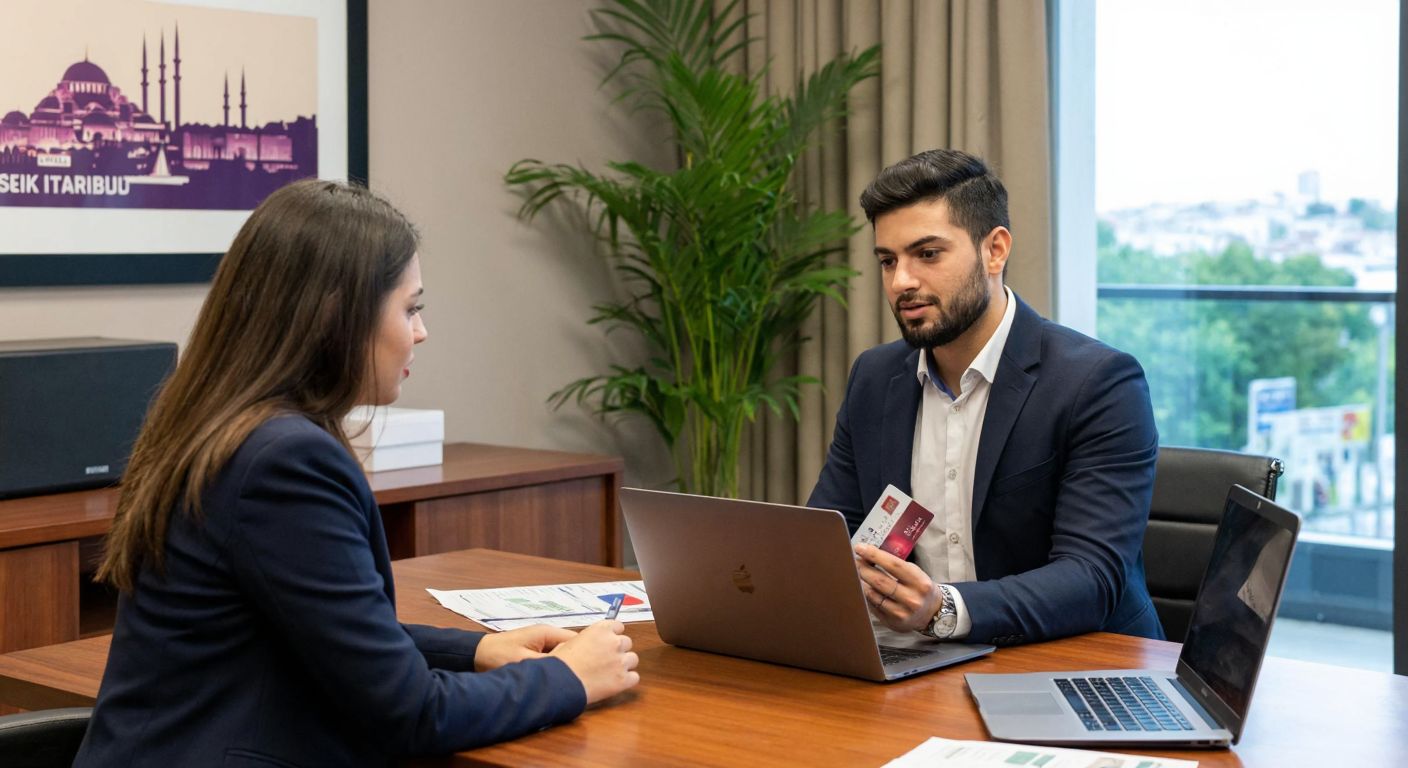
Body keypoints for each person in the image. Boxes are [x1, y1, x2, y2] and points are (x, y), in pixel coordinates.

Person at [74, 180, 639, 767]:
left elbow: (323, 637)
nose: (420, 332)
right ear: (336, 315)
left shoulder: (217, 426)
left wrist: (479, 650)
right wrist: (571, 680)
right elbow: (410, 714)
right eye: (410, 307)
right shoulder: (284, 462)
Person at [807, 149, 1164, 647]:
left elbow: (1091, 577)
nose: (901, 282)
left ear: (994, 250)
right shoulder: (875, 376)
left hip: (1071, 663)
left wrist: (943, 609)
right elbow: (834, 529)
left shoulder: (1099, 383)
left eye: (927, 254)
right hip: (917, 661)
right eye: (889, 261)